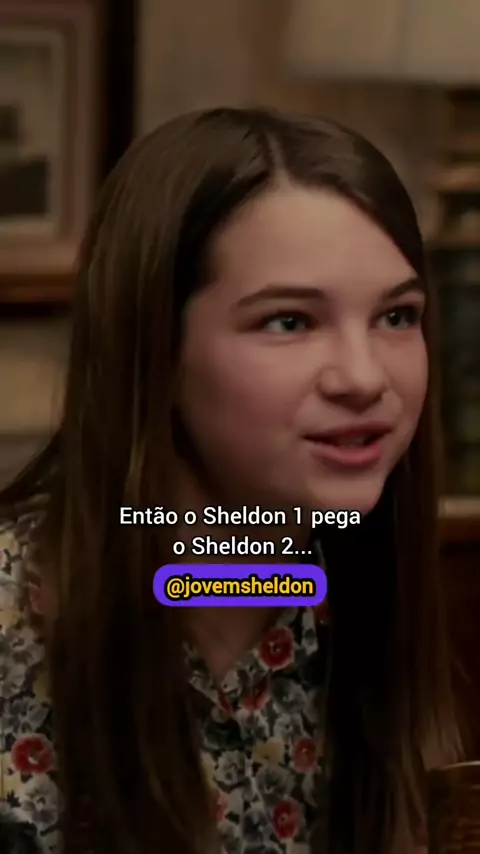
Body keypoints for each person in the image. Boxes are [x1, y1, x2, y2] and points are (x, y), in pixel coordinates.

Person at [0, 107, 462, 854]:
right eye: (290, 322)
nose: (364, 377)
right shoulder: (15, 617)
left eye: (396, 316)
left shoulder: (356, 594)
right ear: (156, 349)